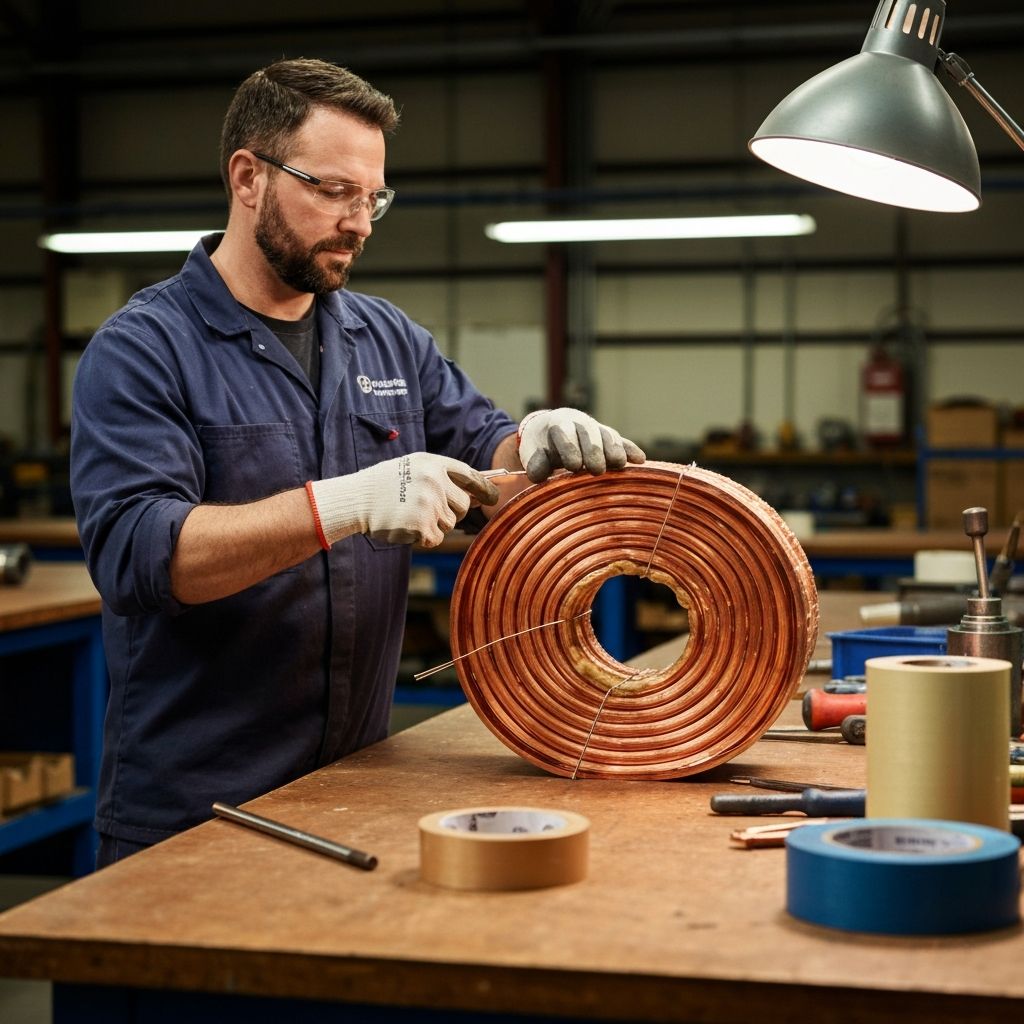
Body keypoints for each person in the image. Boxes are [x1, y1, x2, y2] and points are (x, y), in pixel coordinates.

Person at [70, 57, 645, 867]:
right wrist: (343, 504)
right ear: (247, 177)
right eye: (334, 191)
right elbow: (137, 557)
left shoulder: (388, 339)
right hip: (194, 813)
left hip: (355, 789)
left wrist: (541, 444)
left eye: (374, 196)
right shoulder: (143, 350)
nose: (362, 221)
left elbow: (492, 450)